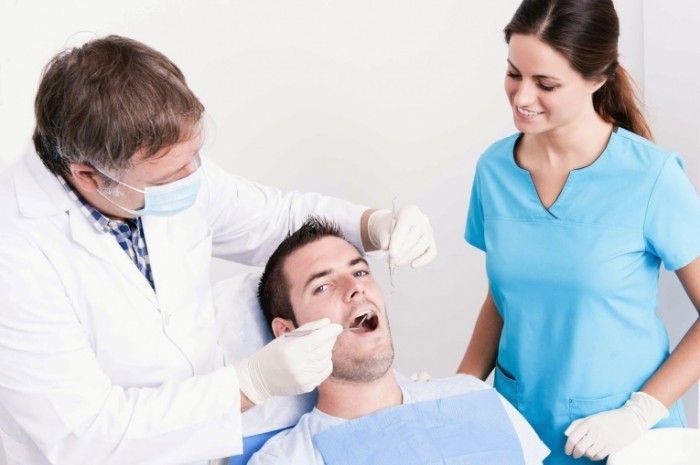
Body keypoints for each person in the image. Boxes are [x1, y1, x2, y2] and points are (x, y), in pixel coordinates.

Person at [0, 35, 437, 465]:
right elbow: (84, 435)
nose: (195, 177)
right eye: (171, 175)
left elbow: (279, 222)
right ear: (88, 176)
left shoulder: (160, 169)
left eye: (195, 158)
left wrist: (375, 226)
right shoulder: (18, 253)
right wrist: (250, 384)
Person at [458, 0, 700, 463]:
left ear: (598, 78)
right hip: (520, 428)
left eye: (546, 84)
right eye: (514, 73)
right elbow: (506, 293)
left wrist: (638, 414)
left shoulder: (651, 178)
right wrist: (462, 391)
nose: (522, 97)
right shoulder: (494, 170)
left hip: (627, 439)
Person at [247, 217, 550, 465]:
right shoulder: (289, 459)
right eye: (323, 286)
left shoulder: (474, 399)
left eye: (360, 271)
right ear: (287, 333)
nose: (355, 287)